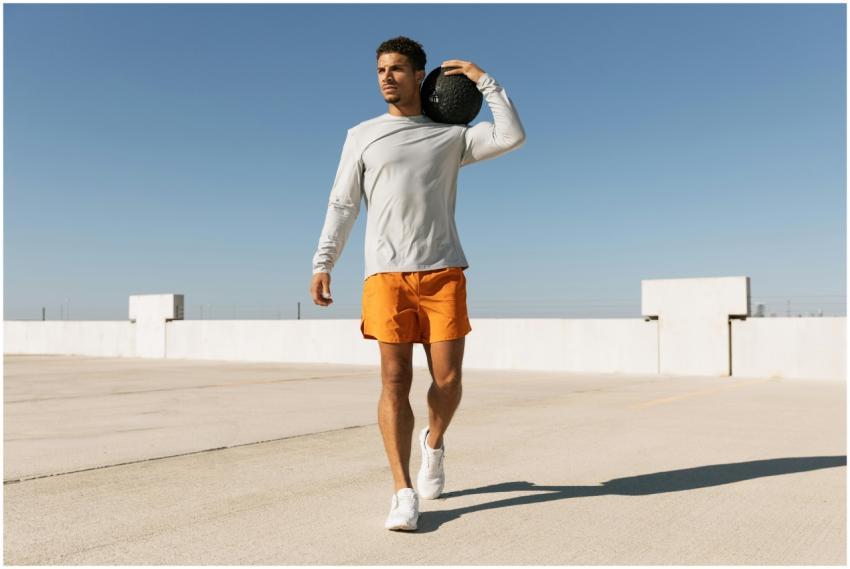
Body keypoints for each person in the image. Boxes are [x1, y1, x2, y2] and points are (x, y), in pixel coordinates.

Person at [309, 36, 525, 531]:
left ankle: (433, 445)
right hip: (384, 275)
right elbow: (343, 204)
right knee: (394, 380)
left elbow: (511, 135)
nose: (387, 76)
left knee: (447, 380)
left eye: (398, 68)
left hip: (444, 271)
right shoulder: (361, 134)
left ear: (420, 75)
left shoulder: (451, 137)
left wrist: (482, 79)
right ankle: (402, 490)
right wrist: (325, 261)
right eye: (381, 69)